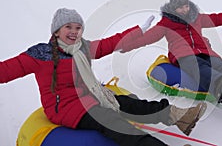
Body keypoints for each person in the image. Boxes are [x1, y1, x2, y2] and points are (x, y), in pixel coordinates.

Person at [0, 8, 207, 146]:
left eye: (77, 27)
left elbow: (109, 44)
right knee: (115, 123)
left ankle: (181, 116)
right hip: (66, 109)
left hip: (90, 97)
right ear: (56, 30)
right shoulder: (40, 55)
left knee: (129, 103)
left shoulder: (81, 48)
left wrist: (138, 31)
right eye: (68, 27)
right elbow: (8, 69)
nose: (73, 32)